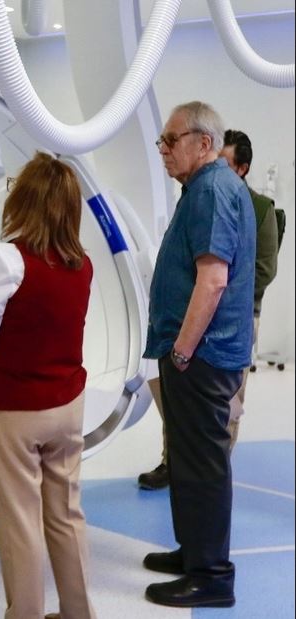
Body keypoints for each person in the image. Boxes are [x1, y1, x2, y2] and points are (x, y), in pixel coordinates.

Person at [0, 153, 97, 619]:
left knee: (19, 523)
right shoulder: (84, 265)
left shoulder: (7, 259)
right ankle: (78, 612)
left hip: (15, 407)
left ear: (24, 199)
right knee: (66, 515)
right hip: (68, 404)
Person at [141, 101, 255, 609]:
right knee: (188, 460)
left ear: (203, 143)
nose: (162, 149)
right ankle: (194, 552)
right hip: (198, 355)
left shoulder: (211, 189)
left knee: (203, 464)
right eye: (162, 141)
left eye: (171, 139)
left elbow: (212, 282)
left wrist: (183, 351)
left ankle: (211, 574)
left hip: (202, 357)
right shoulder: (203, 189)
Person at [137, 127, 277, 491]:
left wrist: (188, 343)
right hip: (195, 320)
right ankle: (175, 461)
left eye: (226, 163)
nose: (217, 167)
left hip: (233, 320)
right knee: (180, 403)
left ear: (242, 169)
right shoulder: (199, 197)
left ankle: (214, 468)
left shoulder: (255, 207)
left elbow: (259, 270)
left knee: (224, 407)